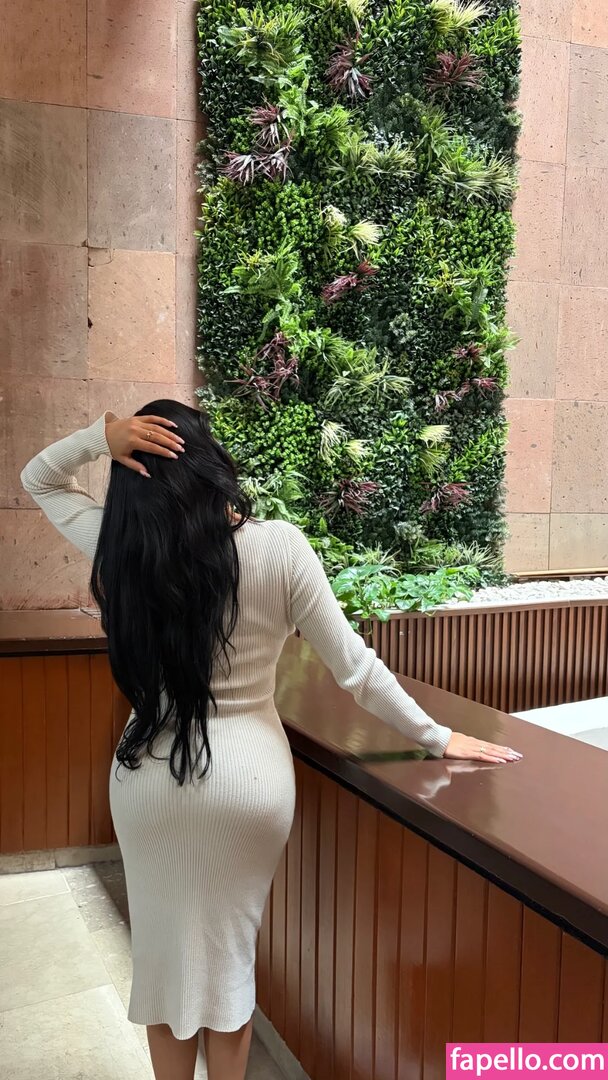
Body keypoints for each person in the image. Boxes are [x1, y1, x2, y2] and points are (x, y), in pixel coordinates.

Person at [21, 400, 521, 1080]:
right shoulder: (279, 546)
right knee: (230, 966)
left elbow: (38, 478)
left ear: (129, 474)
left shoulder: (122, 548)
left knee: (162, 968)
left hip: (147, 782)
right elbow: (355, 668)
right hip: (250, 784)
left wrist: (100, 438)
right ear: (210, 463)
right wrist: (437, 737)